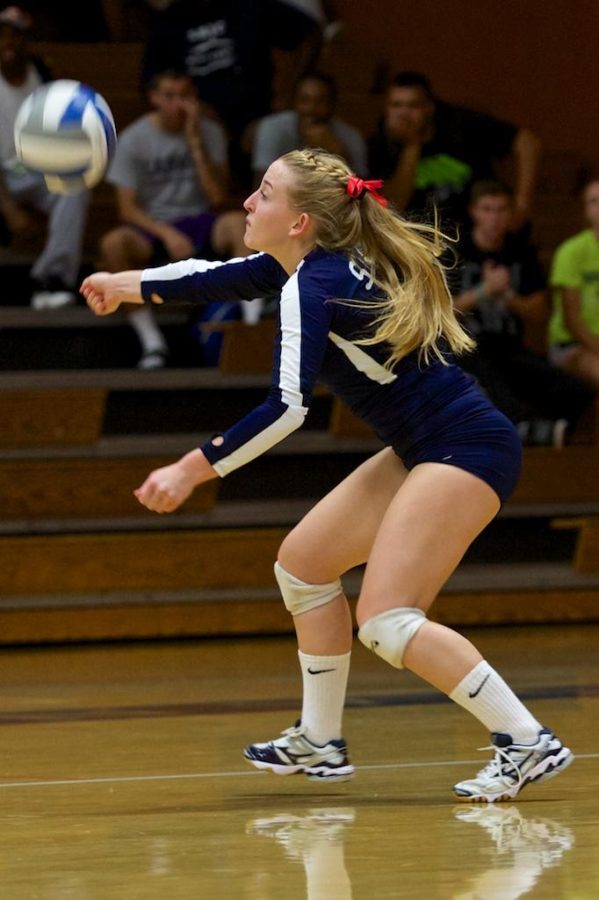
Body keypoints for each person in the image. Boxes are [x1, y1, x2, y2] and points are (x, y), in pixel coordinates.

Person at [81, 148, 573, 802]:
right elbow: (213, 276)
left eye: (263, 193)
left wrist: (190, 469)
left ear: (299, 223)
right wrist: (127, 283)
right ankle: (319, 741)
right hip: (426, 444)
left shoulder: (312, 286)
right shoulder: (314, 266)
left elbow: (285, 409)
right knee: (306, 566)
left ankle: (524, 739)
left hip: (463, 445)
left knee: (387, 619)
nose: (248, 203)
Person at [101, 69, 253, 367]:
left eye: (184, 96)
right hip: (155, 227)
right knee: (113, 244)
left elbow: (218, 198)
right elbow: (127, 209)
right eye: (169, 96)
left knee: (239, 224)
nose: (177, 104)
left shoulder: (210, 132)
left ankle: (248, 325)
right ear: (154, 98)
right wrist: (167, 234)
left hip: (202, 220)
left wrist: (195, 142)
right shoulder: (134, 139)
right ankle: (152, 343)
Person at [452, 180, 594, 446]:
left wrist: (508, 296)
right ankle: (525, 428)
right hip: (467, 347)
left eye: (501, 210)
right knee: (487, 375)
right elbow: (438, 313)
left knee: (574, 390)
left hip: (509, 347)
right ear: (474, 212)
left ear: (510, 213)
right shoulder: (456, 251)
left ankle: (542, 431)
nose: (494, 218)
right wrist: (483, 292)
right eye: (487, 209)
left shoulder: (519, 251)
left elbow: (540, 312)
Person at [368, 71, 541, 234]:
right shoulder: (381, 144)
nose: (404, 114)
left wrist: (522, 204)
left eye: (413, 105)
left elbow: (526, 142)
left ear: (429, 108)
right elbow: (395, 204)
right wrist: (412, 145)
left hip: (478, 233)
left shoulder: (459, 124)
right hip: (421, 237)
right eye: (396, 105)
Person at [0, 4, 90, 308]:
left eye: (16, 36)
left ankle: (51, 276)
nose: (9, 43)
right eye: (2, 35)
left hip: (33, 168)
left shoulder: (41, 72)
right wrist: (9, 208)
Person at [252, 71, 368, 187]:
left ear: (332, 105)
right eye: (304, 100)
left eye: (320, 101)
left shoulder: (351, 137)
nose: (311, 108)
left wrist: (339, 155)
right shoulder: (272, 128)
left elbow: (361, 195)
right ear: (294, 103)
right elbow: (261, 186)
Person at [548, 178, 599, 391]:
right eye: (594, 201)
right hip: (572, 346)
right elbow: (572, 319)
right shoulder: (571, 251)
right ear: (585, 210)